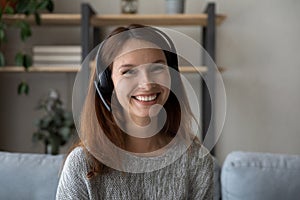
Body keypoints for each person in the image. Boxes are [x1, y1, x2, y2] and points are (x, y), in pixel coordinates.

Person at [56, 24, 213, 199]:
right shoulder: (83, 164)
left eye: (157, 68)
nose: (146, 83)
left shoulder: (196, 161)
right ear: (107, 85)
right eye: (128, 71)